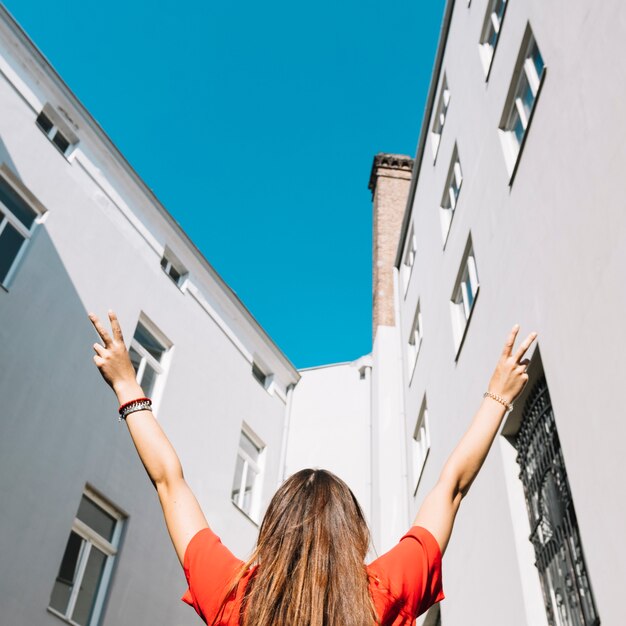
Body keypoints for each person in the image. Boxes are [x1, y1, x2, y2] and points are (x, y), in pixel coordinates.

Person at [88, 310, 537, 626]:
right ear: (354, 533)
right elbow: (450, 488)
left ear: (272, 530)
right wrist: (497, 397)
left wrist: (128, 385)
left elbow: (170, 484)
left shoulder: (232, 596)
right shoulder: (383, 594)